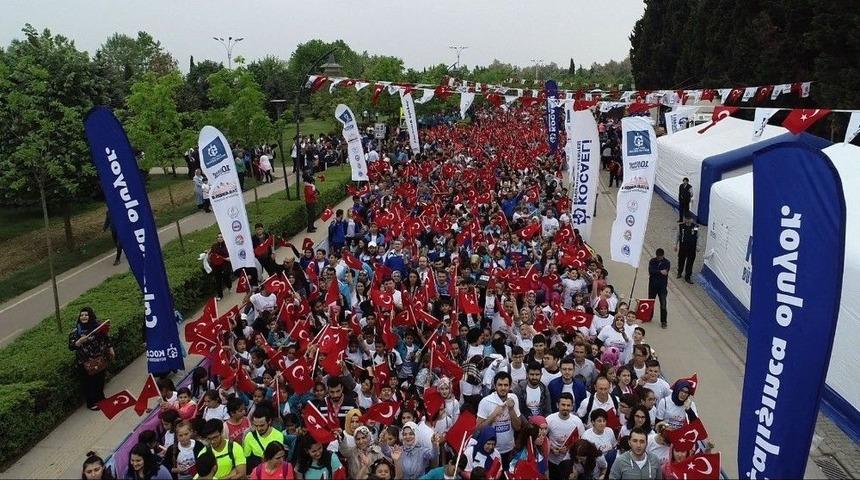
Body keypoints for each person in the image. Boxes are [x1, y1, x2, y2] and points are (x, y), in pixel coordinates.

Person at [68, 307, 114, 410]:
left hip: (99, 359)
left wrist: (111, 349)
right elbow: (71, 346)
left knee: (100, 380)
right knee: (89, 383)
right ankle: (91, 403)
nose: (83, 317)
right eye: (82, 315)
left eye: (86, 315)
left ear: (91, 316)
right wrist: (79, 341)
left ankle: (101, 399)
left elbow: (106, 338)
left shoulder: (97, 327)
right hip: (85, 362)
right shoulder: (76, 331)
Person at [476, 371, 522, 469]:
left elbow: (518, 427)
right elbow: (479, 429)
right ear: (494, 386)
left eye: (506, 385)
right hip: (491, 450)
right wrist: (493, 415)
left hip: (509, 449)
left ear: (510, 386)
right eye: (500, 385)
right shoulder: (485, 402)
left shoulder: (513, 398)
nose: (503, 388)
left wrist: (511, 409)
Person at [647, 249, 670, 328]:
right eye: (657, 257)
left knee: (663, 304)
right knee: (651, 302)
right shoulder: (652, 261)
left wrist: (656, 272)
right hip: (652, 286)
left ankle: (663, 321)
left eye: (660, 257)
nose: (659, 258)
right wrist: (660, 272)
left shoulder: (667, 263)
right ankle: (649, 317)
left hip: (662, 287)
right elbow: (651, 271)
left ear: (663, 255)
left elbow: (665, 272)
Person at [674, 216, 698, 284]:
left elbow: (698, 236)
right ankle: (679, 272)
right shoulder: (681, 226)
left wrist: (698, 246)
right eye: (686, 219)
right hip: (683, 247)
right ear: (684, 219)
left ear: (692, 219)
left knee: (690, 263)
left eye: (689, 219)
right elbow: (677, 236)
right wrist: (675, 245)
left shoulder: (695, 226)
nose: (687, 221)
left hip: (692, 248)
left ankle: (687, 277)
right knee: (681, 260)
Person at [208, 234, 232, 300]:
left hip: (224, 265)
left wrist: (223, 258)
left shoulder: (227, 245)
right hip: (216, 265)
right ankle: (220, 295)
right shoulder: (214, 246)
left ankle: (229, 286)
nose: (219, 238)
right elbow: (210, 252)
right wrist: (207, 253)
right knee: (218, 280)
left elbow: (229, 255)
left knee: (226, 278)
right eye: (218, 237)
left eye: (221, 237)